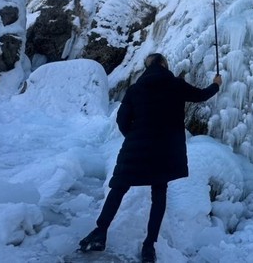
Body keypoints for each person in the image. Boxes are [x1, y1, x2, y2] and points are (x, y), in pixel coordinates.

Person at [78, 53, 222, 262]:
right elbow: (201, 96)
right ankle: (149, 245)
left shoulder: (135, 89)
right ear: (163, 64)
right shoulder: (175, 85)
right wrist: (216, 84)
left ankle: (100, 232)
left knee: (119, 188)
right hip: (164, 150)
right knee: (159, 193)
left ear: (148, 67)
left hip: (135, 147)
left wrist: (135, 135)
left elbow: (122, 119)